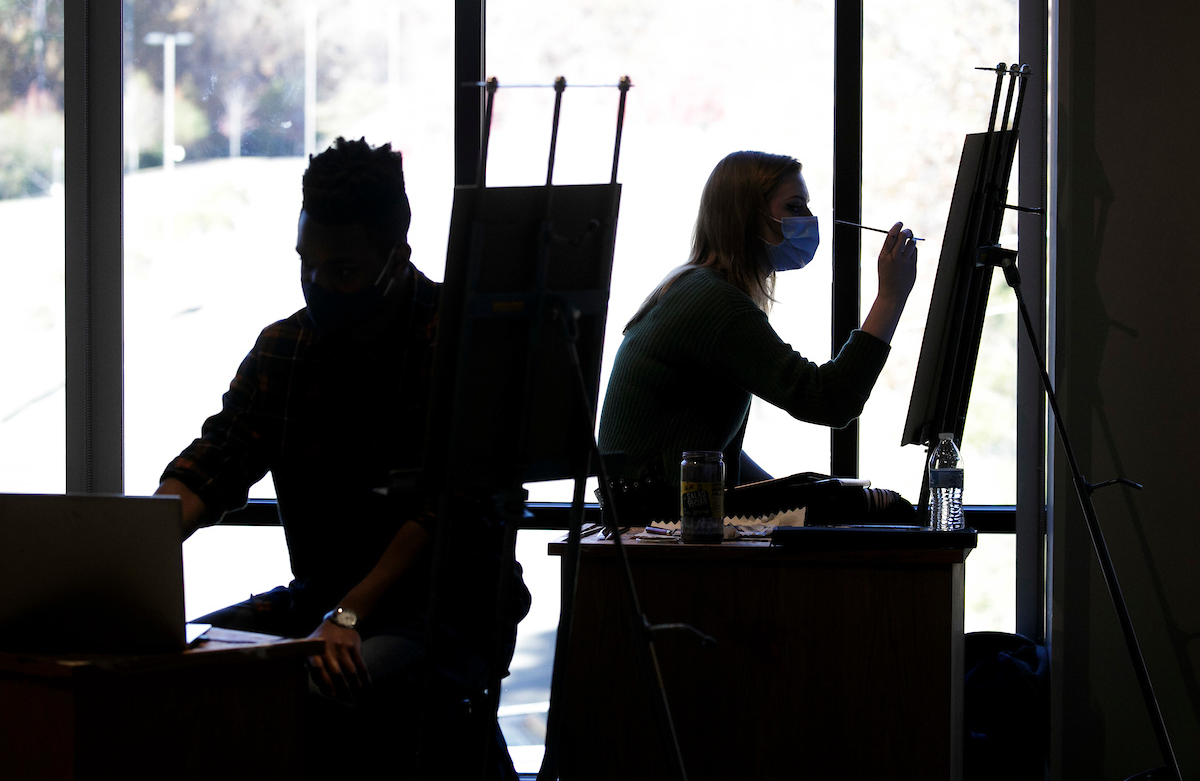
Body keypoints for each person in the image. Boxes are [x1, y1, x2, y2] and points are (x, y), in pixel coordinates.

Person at [156, 137, 526, 777]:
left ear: (397, 257)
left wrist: (348, 613)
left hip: (443, 616)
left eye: (343, 272)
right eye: (306, 266)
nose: (319, 286)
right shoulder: (286, 349)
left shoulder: (459, 342)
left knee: (314, 695)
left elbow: (448, 510)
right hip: (321, 607)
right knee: (160, 678)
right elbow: (212, 463)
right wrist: (129, 545)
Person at [596, 150, 918, 518]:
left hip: (658, 506)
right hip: (654, 517)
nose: (810, 220)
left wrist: (793, 497)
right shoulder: (712, 302)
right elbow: (828, 399)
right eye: (795, 206)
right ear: (747, 216)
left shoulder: (695, 287)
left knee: (847, 504)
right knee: (888, 510)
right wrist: (891, 298)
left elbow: (718, 447)